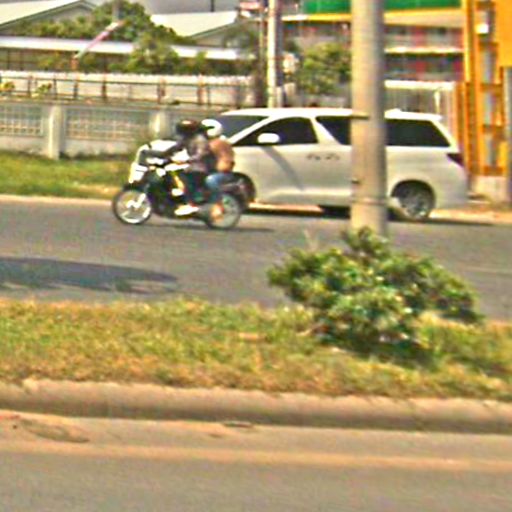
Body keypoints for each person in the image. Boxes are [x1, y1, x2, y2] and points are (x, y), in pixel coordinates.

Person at [200, 119, 235, 218]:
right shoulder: (206, 142)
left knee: (211, 181)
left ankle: (218, 204)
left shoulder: (219, 143)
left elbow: (204, 153)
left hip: (222, 173)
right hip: (209, 170)